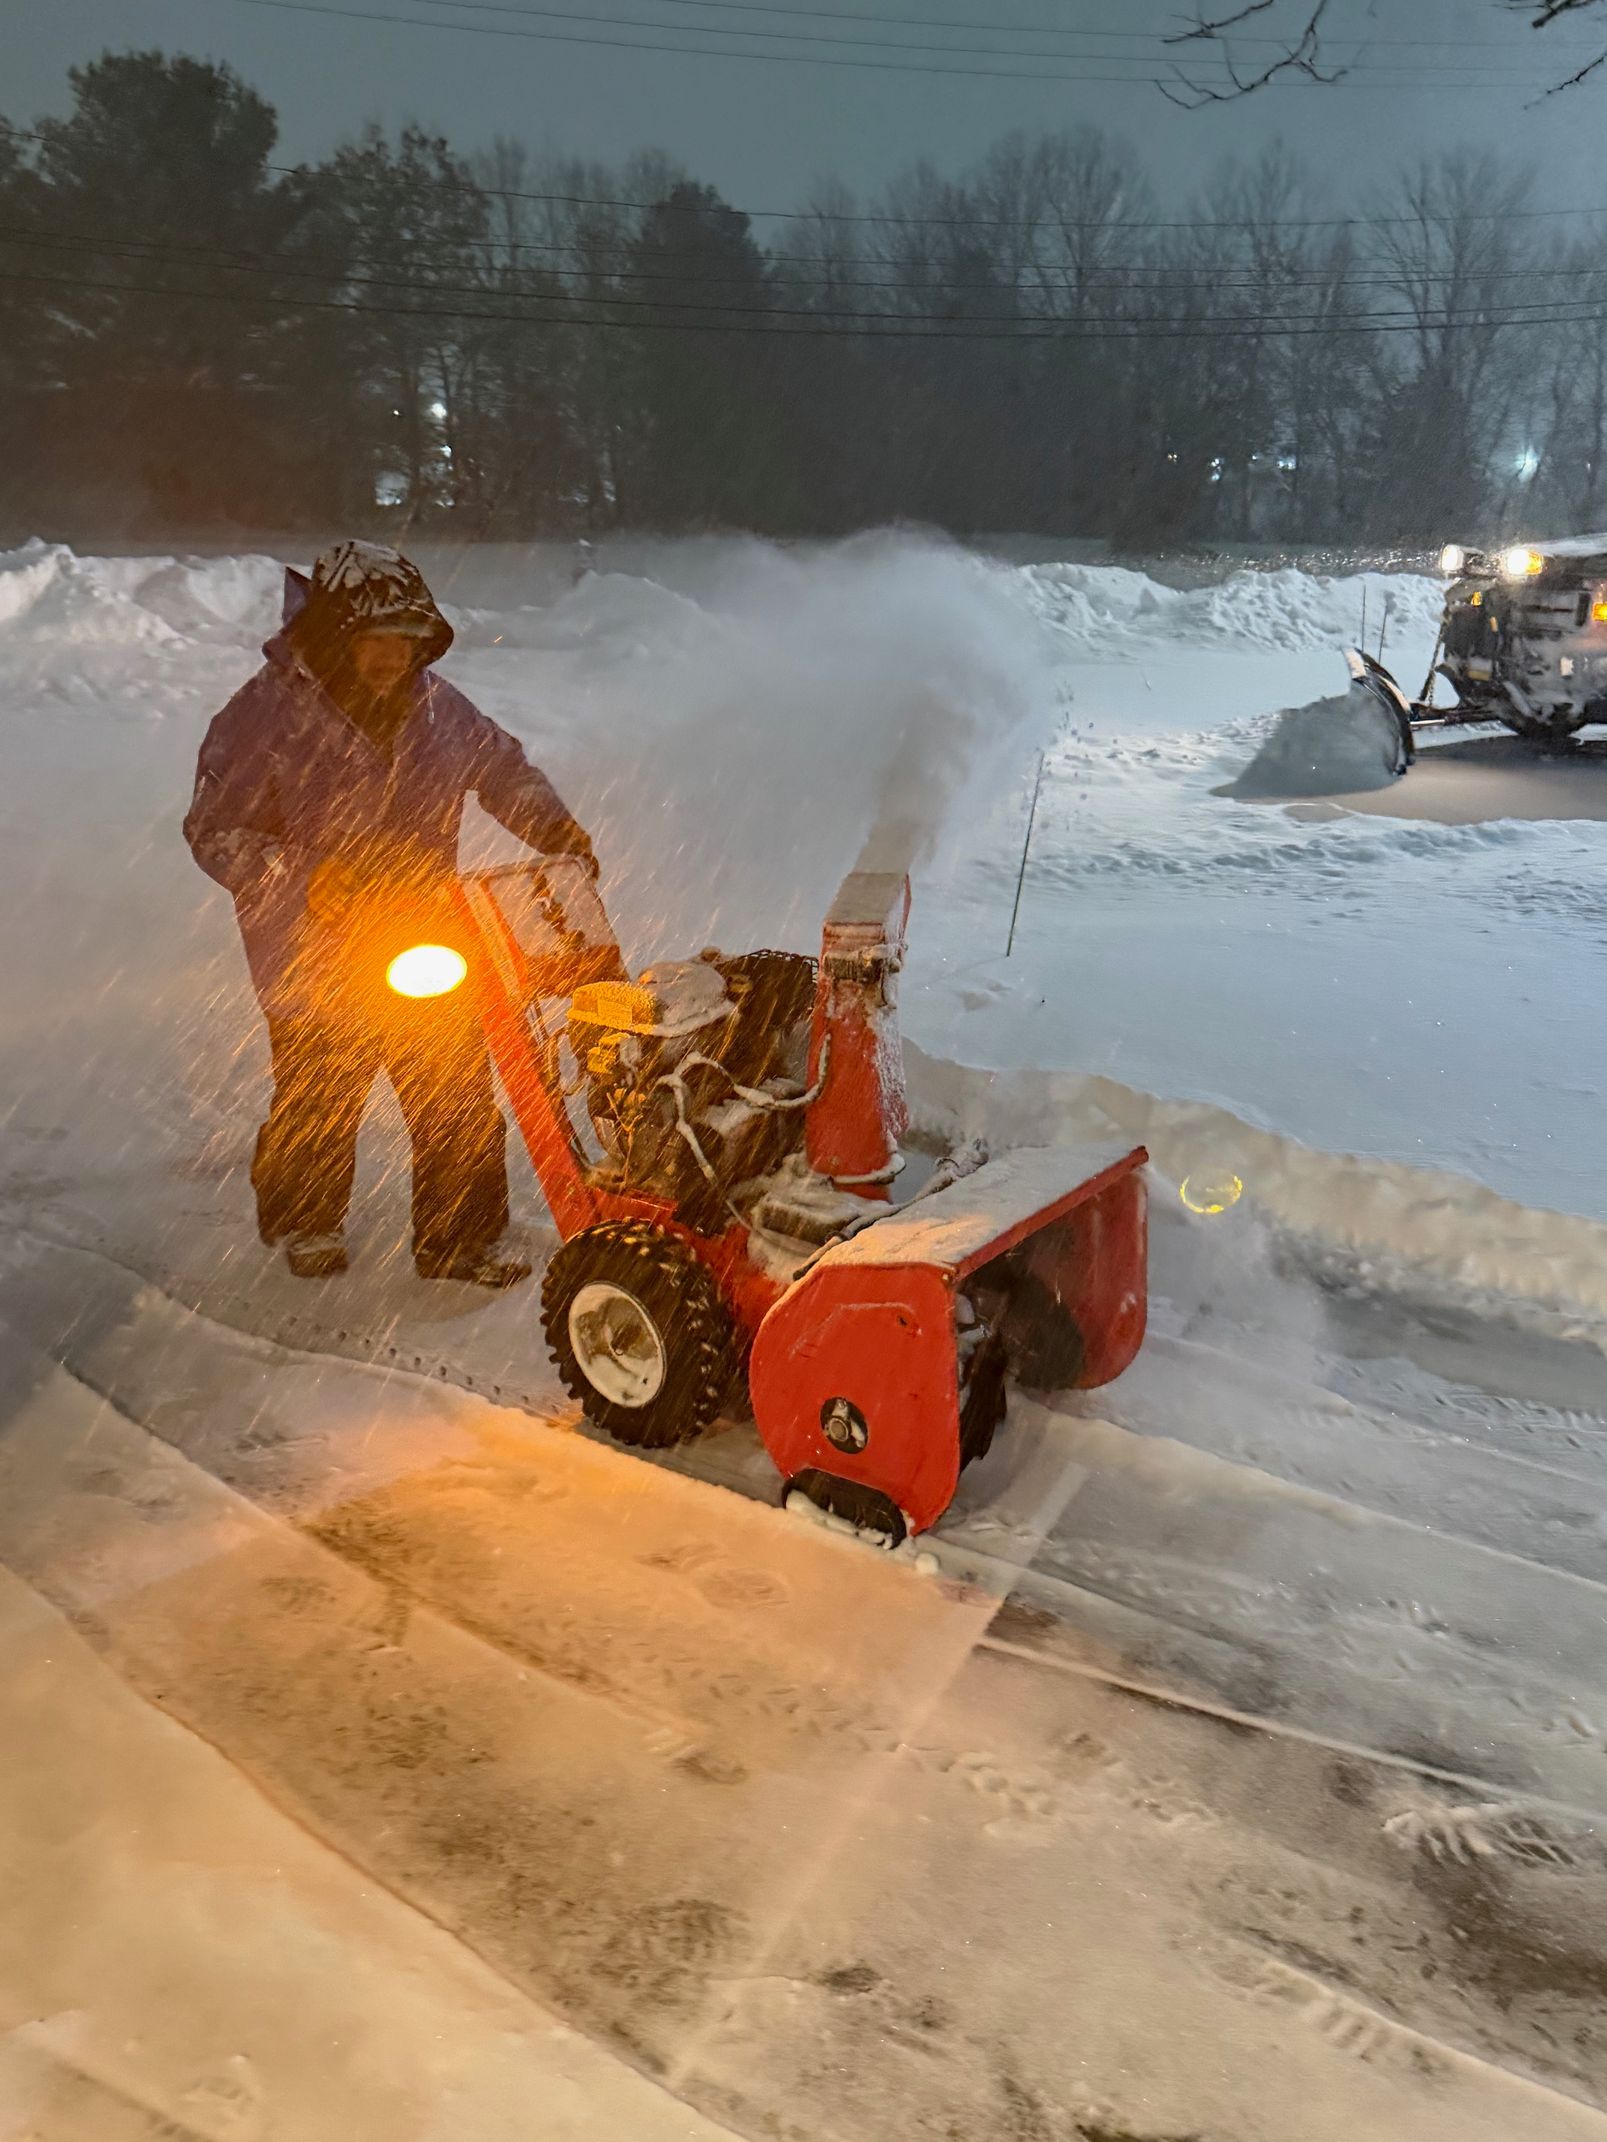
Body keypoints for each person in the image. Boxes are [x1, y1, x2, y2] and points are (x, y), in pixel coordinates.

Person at [185, 540, 595, 1284]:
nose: (391, 657)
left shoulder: (440, 709)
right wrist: (305, 877)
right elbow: (214, 830)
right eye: (376, 639)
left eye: (407, 641)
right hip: (312, 947)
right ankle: (303, 1218)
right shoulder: (263, 715)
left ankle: (458, 1239)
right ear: (336, 634)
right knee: (321, 1093)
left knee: (456, 1089)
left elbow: (502, 768)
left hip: (425, 931)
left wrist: (554, 828)